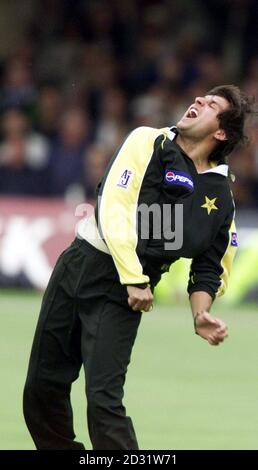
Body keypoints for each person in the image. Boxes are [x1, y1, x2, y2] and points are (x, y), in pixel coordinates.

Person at [23, 85, 254, 450]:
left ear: (221, 132)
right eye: (200, 97)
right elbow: (114, 205)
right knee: (41, 390)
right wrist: (133, 276)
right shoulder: (147, 141)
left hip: (125, 294)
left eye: (210, 105)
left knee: (103, 401)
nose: (197, 101)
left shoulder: (220, 194)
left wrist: (201, 312)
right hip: (83, 265)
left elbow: (212, 264)